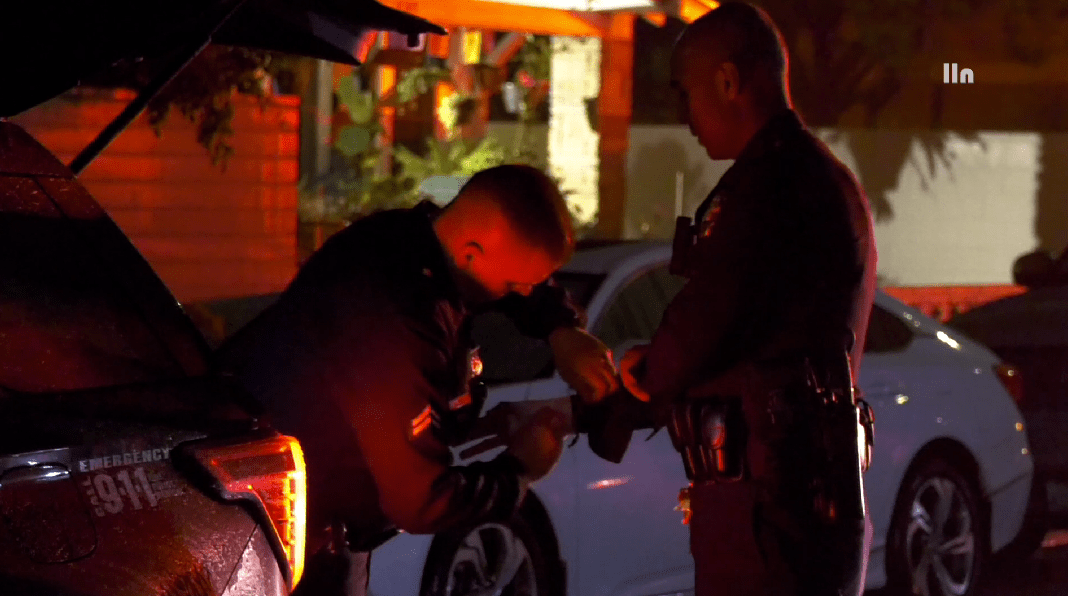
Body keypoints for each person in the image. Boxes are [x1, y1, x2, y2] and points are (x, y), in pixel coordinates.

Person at [214, 164, 619, 596]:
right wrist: (518, 471)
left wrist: (562, 330)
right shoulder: (395, 317)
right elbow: (420, 502)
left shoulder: (411, 239)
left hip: (312, 528)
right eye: (515, 284)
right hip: (285, 547)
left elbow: (521, 281)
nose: (522, 294)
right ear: (471, 252)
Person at [614, 3, 879, 596]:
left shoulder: (772, 188)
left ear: (729, 81)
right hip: (799, 494)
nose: (685, 118)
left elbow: (709, 319)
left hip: (769, 505)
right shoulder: (816, 176)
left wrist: (645, 368)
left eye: (687, 94)